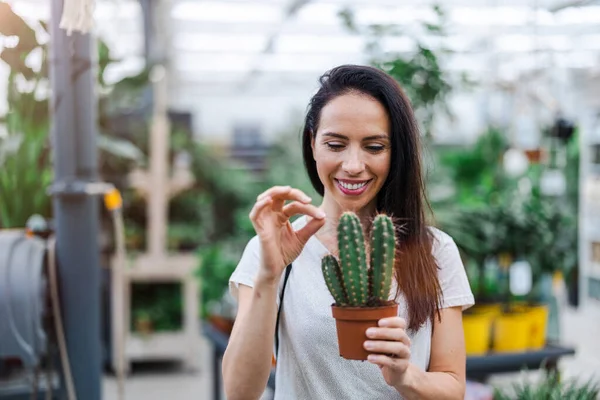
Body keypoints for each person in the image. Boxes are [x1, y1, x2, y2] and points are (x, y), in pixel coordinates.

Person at [222, 64, 474, 400]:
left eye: (374, 147)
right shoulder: (270, 251)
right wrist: (269, 275)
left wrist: (406, 376)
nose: (354, 165)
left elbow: (453, 387)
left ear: (395, 152)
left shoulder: (435, 250)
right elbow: (239, 392)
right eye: (336, 144)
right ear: (313, 145)